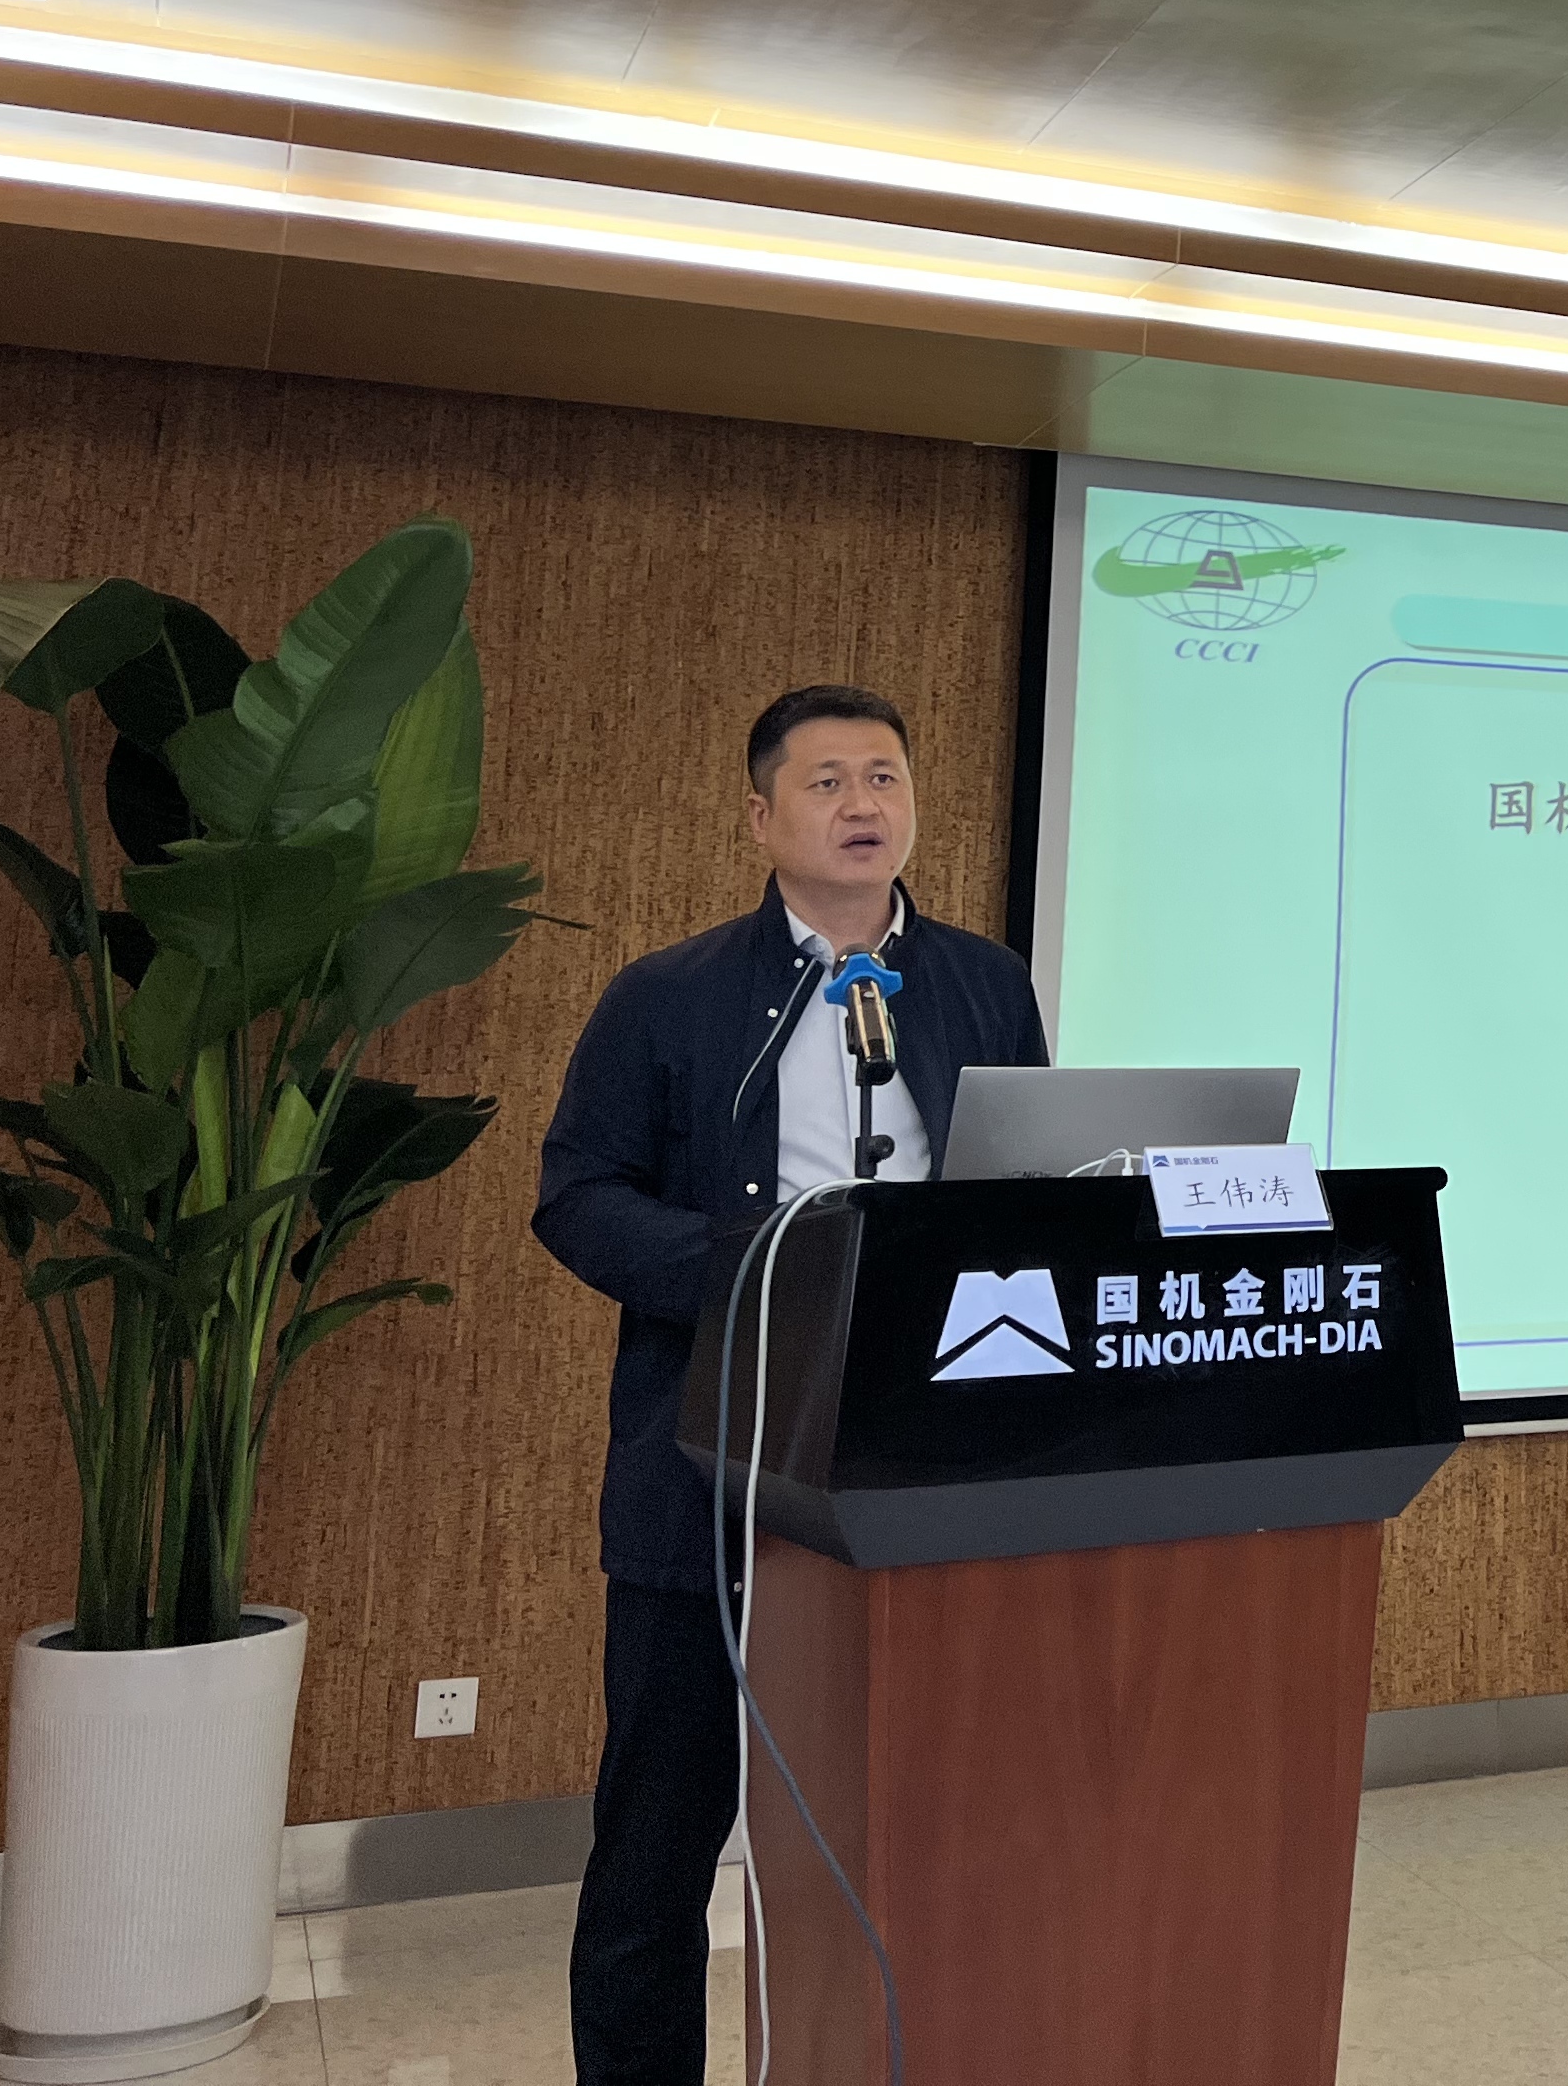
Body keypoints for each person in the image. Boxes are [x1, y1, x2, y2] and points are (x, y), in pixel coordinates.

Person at [532, 685, 1047, 2086]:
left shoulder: (985, 984)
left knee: (924, 1826)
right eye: (827, 782)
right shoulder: (671, 996)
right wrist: (753, 1267)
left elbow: (1029, 1189)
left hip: (919, 1465)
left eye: (884, 776)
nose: (863, 803)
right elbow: (577, 1197)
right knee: (657, 1841)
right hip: (710, 1464)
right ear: (761, 818)